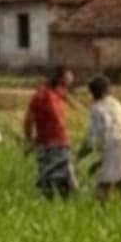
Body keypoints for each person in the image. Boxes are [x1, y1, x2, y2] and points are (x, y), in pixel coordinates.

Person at [77, 76, 121, 203]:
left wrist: (78, 157)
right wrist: (100, 161)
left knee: (103, 186)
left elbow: (91, 139)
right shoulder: (116, 103)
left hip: (113, 146)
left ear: (92, 92)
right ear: (108, 90)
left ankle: (100, 216)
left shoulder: (96, 109)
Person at [22, 66, 77, 199]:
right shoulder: (51, 98)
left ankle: (50, 209)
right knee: (68, 185)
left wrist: (29, 140)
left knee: (47, 181)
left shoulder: (40, 95)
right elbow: (58, 122)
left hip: (43, 145)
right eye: (67, 84)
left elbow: (28, 120)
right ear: (61, 82)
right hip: (59, 144)